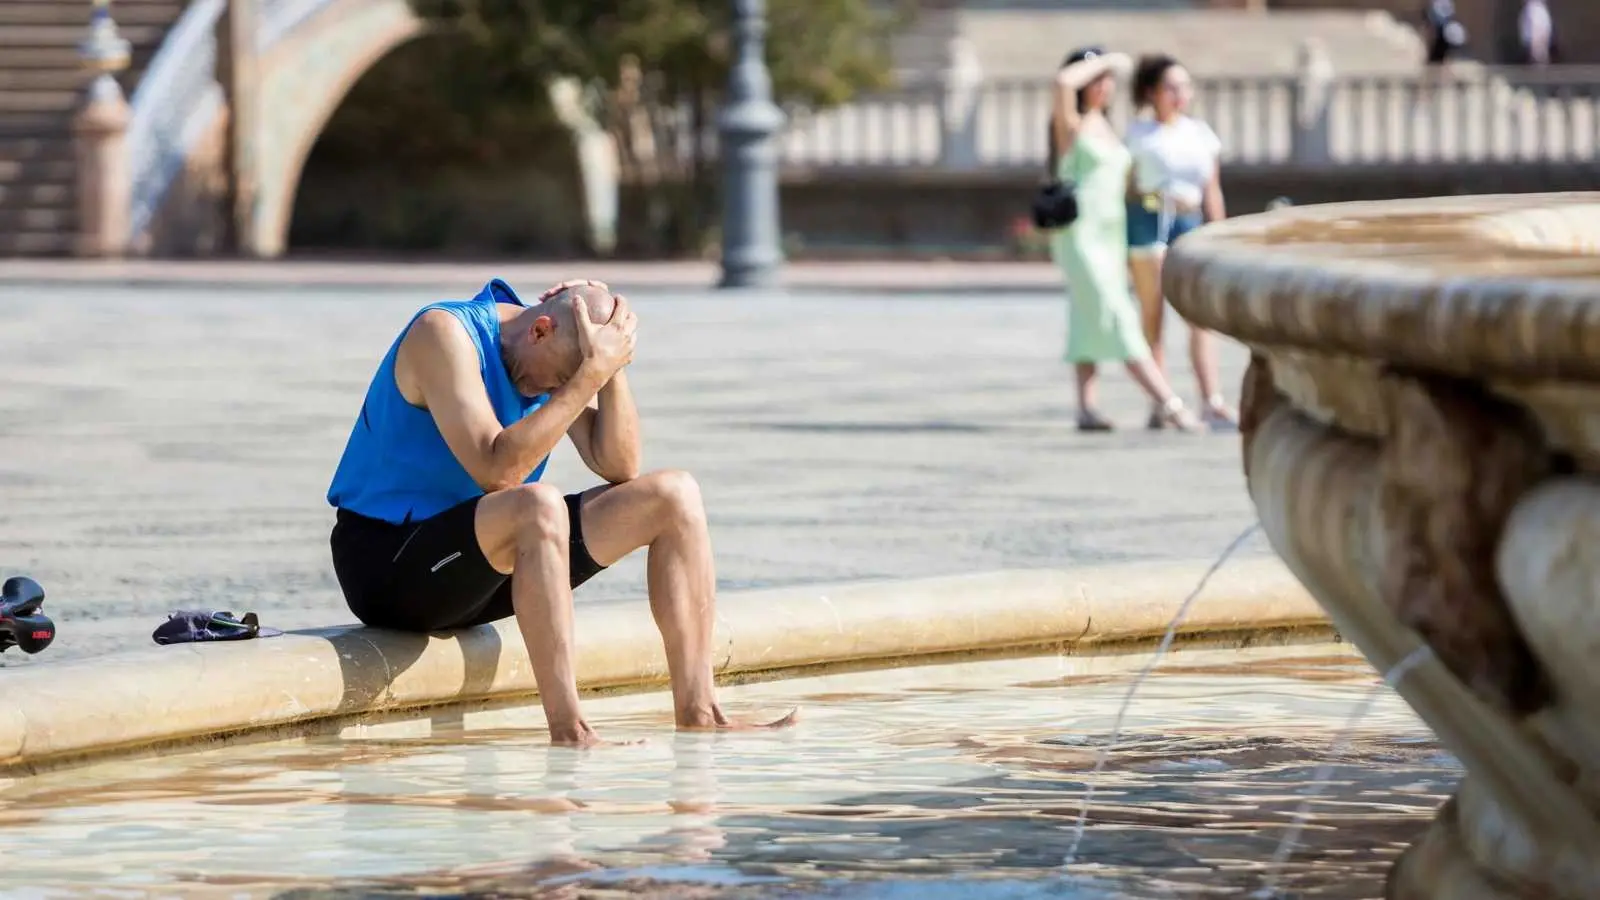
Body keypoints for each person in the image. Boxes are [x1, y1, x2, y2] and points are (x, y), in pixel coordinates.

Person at [325, 277, 796, 747]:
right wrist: (586, 376)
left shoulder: (552, 355)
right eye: (560, 380)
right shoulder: (443, 335)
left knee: (675, 495)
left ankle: (699, 712)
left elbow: (620, 465)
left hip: (479, 567)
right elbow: (498, 471)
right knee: (538, 503)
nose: (554, 390)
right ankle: (570, 730)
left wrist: (610, 364)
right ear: (539, 330)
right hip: (389, 568)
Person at [1047, 47, 1200, 433]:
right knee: (1119, 316)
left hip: (1112, 234)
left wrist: (1166, 199)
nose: (1103, 86)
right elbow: (1062, 82)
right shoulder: (1071, 124)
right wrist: (1106, 60)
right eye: (1095, 80)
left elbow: (1129, 185)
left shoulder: (1109, 126)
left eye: (1107, 80)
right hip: (1080, 234)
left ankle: (1086, 408)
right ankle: (1170, 403)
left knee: (1086, 316)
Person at [1125, 54, 1238, 433]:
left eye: (1184, 87)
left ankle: (1212, 399)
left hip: (1189, 220)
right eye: (1171, 87)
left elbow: (1211, 188)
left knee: (1199, 316)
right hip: (1150, 219)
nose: (1180, 94)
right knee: (1153, 313)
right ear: (1151, 92)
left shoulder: (1199, 133)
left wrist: (1220, 233)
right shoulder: (1138, 134)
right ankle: (1163, 401)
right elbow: (1126, 186)